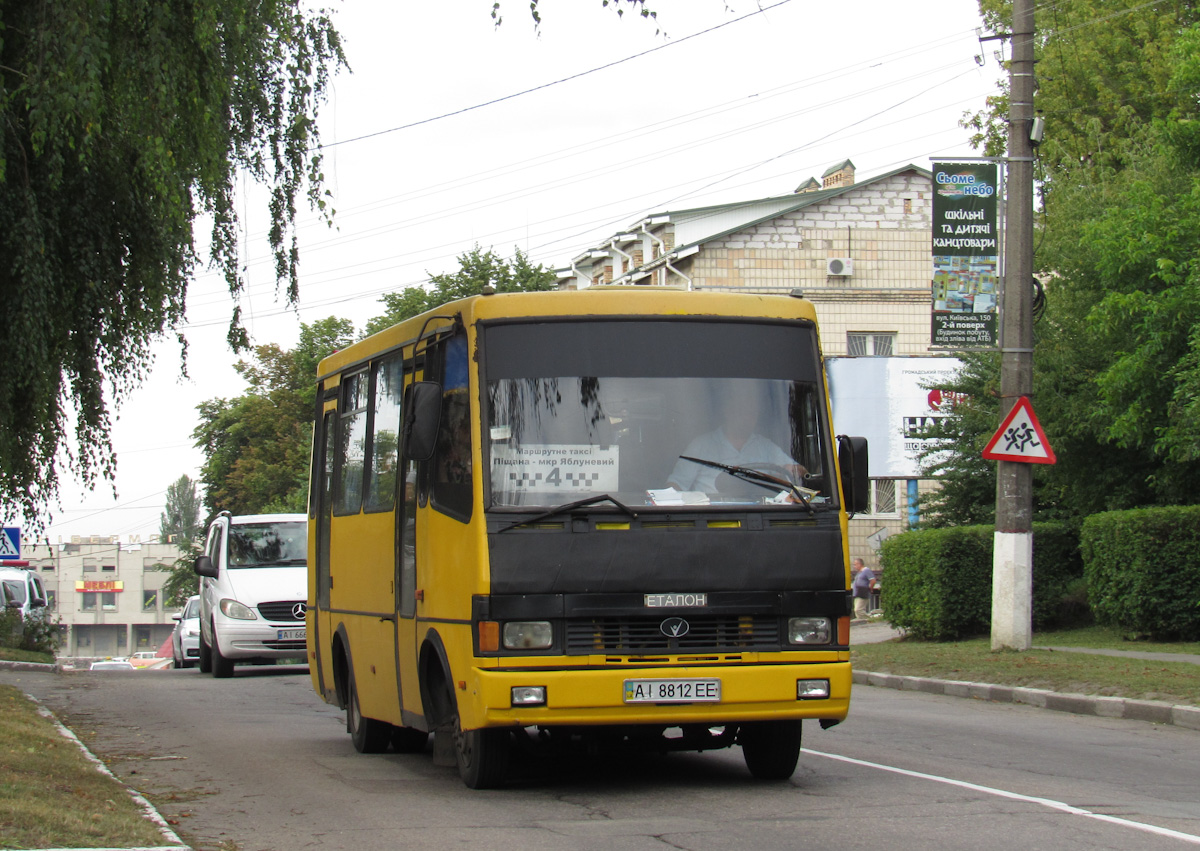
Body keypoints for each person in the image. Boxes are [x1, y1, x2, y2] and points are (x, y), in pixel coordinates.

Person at [667, 384, 805, 493]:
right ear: (728, 412)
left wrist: (792, 470)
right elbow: (675, 485)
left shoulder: (765, 446)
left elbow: (801, 473)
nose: (748, 419)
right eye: (742, 412)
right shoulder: (701, 445)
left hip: (761, 513)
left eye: (752, 414)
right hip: (712, 517)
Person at [851, 557, 876, 621]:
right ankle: (862, 621)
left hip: (863, 592)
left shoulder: (866, 570)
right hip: (857, 593)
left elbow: (873, 580)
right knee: (856, 610)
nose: (854, 566)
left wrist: (870, 588)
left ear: (860, 564)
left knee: (858, 609)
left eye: (855, 564)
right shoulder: (859, 573)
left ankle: (869, 619)